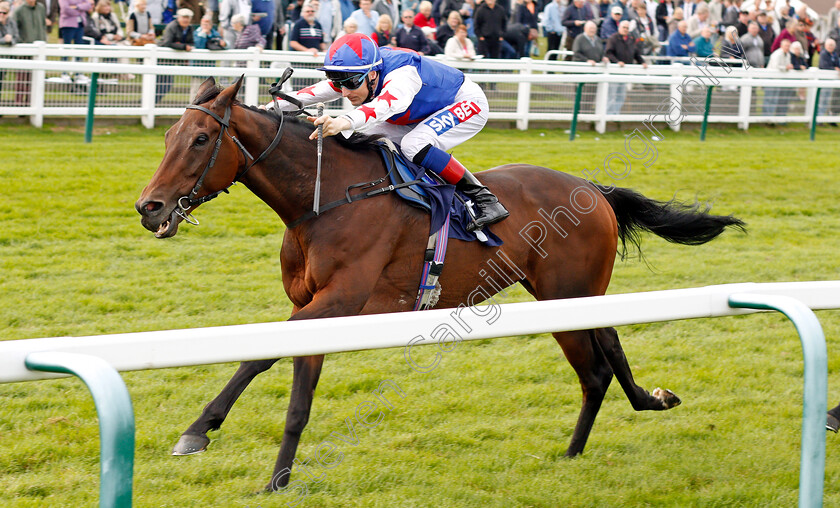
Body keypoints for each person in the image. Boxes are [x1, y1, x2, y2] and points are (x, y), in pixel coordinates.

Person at [264, 33, 509, 231]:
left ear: (372, 75)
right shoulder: (358, 73)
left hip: (465, 102)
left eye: (349, 84)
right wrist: (263, 110)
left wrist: (342, 121)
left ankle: (485, 199)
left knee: (414, 144)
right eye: (339, 83)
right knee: (364, 138)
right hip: (420, 110)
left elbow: (383, 107)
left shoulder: (403, 77)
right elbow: (314, 92)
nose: (345, 92)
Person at [605, 19, 646, 114]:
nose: (625, 29)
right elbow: (609, 53)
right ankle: (608, 114)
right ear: (619, 27)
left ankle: (616, 114)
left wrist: (642, 62)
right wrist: (617, 62)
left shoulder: (630, 39)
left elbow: (636, 54)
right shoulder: (613, 38)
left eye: (627, 28)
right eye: (624, 27)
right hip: (614, 72)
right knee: (612, 94)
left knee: (621, 95)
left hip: (625, 72)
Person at [157, 8, 195, 104]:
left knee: (166, 84)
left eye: (187, 18)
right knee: (162, 84)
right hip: (163, 59)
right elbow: (167, 43)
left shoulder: (189, 28)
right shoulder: (172, 27)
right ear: (178, 18)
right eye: (183, 17)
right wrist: (182, 46)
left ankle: (153, 104)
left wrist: (180, 45)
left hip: (172, 60)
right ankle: (151, 104)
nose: (185, 20)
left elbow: (191, 42)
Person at [763, 38, 792, 116]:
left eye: (789, 46)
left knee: (775, 99)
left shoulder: (788, 54)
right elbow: (776, 67)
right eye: (786, 46)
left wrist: (787, 67)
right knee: (769, 99)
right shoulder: (777, 54)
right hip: (771, 79)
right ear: (781, 46)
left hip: (779, 80)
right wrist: (786, 67)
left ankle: (772, 117)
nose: (787, 48)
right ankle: (766, 118)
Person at [818, 38, 839, 117]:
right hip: (823, 80)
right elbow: (824, 66)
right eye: (830, 45)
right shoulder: (823, 54)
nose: (831, 47)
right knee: (822, 99)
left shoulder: (834, 54)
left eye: (833, 45)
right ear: (826, 45)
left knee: (827, 100)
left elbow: (837, 64)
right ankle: (818, 117)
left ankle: (822, 117)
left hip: (831, 80)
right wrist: (834, 69)